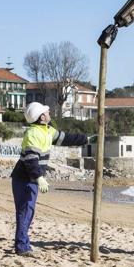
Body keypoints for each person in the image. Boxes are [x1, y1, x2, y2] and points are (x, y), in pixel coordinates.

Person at [10, 102, 89, 256]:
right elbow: (31, 159)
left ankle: (23, 243)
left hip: (30, 179)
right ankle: (22, 246)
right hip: (24, 179)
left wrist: (86, 139)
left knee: (28, 212)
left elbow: (66, 138)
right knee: (25, 211)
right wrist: (39, 177)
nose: (49, 112)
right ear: (41, 117)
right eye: (46, 111)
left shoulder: (47, 131)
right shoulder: (34, 134)